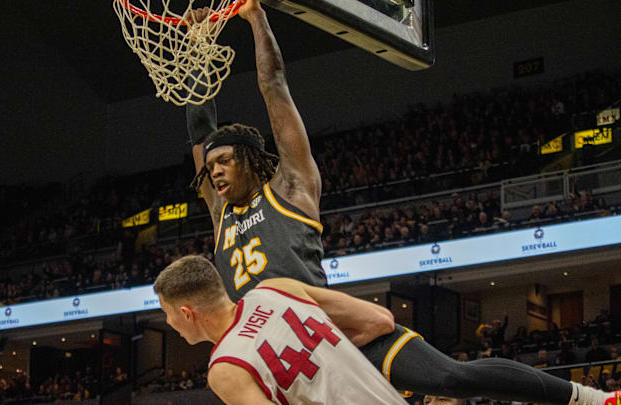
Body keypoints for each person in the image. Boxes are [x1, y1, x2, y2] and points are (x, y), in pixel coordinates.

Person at [183, 1, 618, 404]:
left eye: (225, 161)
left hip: (336, 335)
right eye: (212, 166)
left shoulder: (290, 189)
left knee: (452, 379)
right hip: (279, 358)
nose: (215, 170)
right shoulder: (221, 214)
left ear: (251, 161)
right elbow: (200, 134)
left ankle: (590, 398)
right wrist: (198, 47)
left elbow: (273, 86)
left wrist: (256, 17)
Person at [154, 255, 409, 405]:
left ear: (187, 313)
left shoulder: (225, 368)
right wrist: (326, 354)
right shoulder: (277, 288)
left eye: (167, 312)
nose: (167, 322)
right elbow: (381, 321)